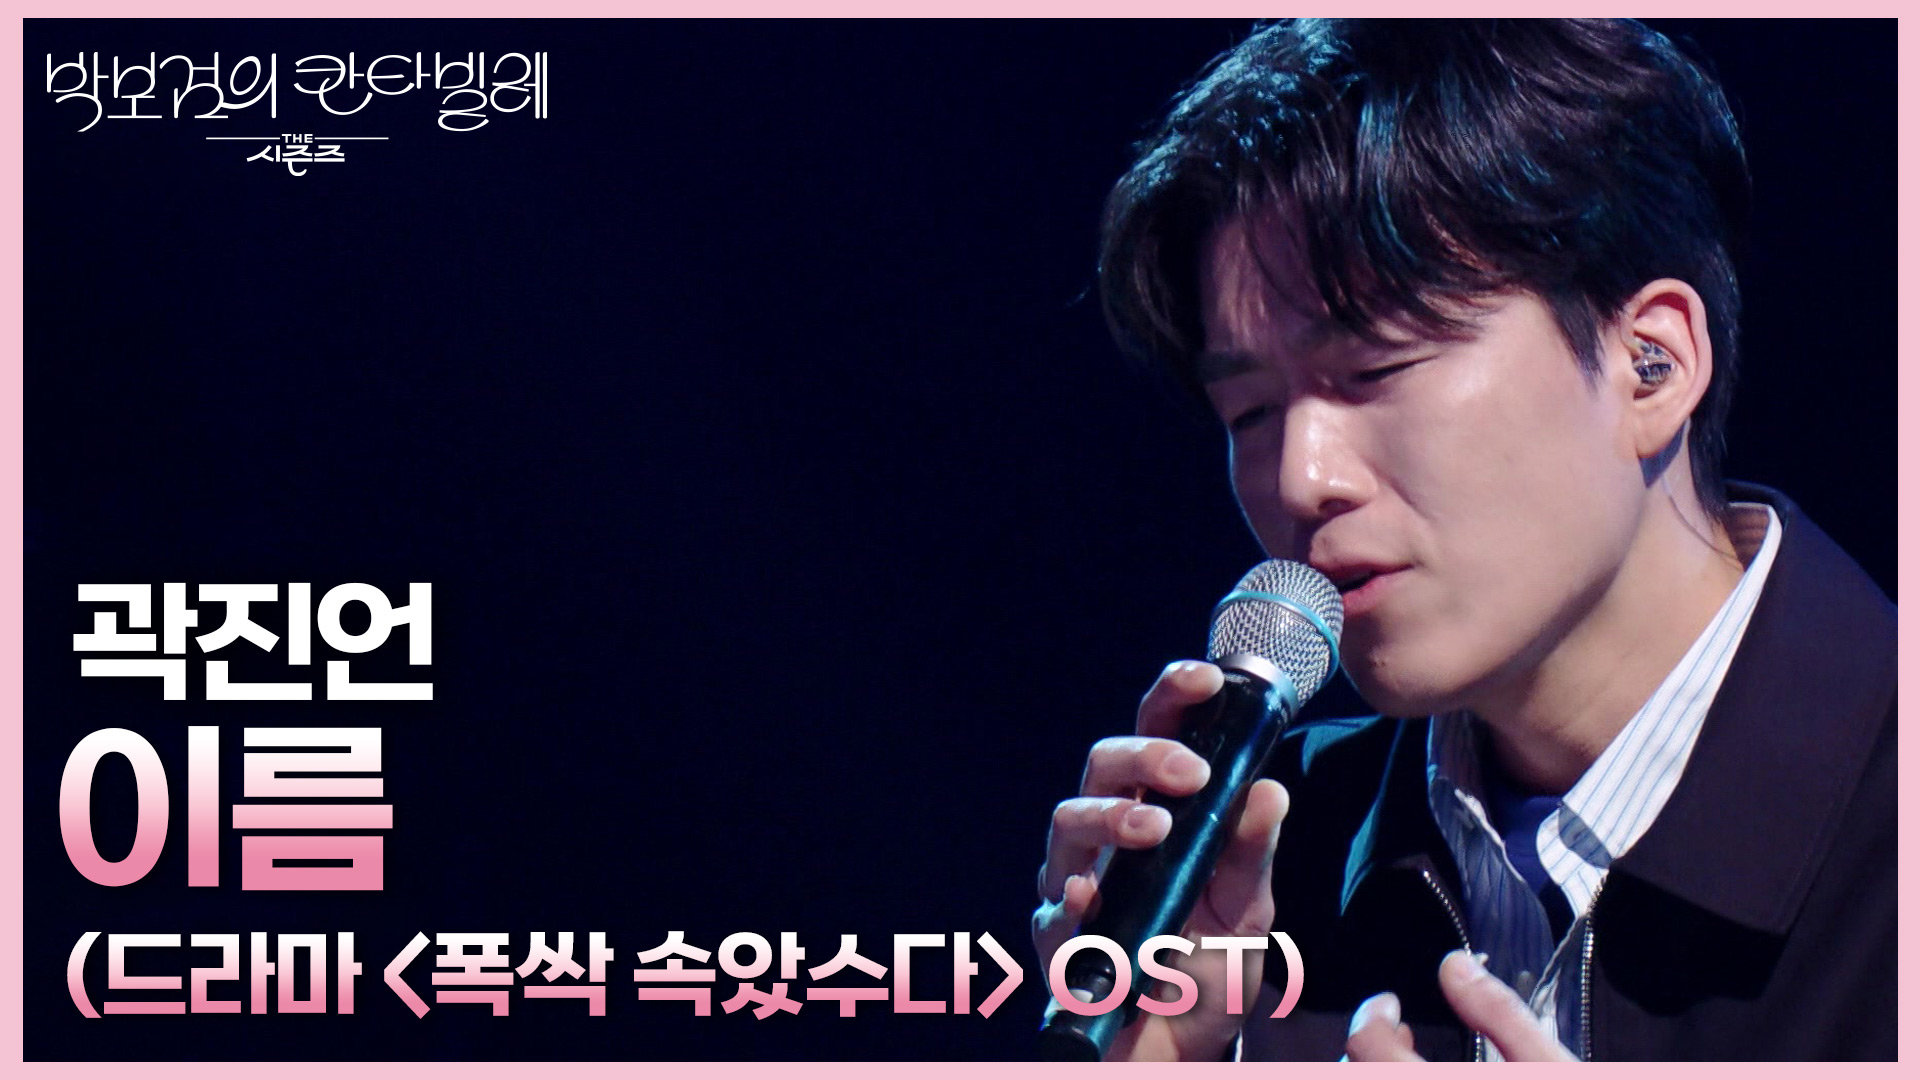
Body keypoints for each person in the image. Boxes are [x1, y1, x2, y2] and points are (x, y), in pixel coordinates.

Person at [1031, 19, 1895, 1061]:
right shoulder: (1266, 861)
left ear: (1651, 365)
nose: (1302, 477)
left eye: (1375, 371)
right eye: (1249, 413)